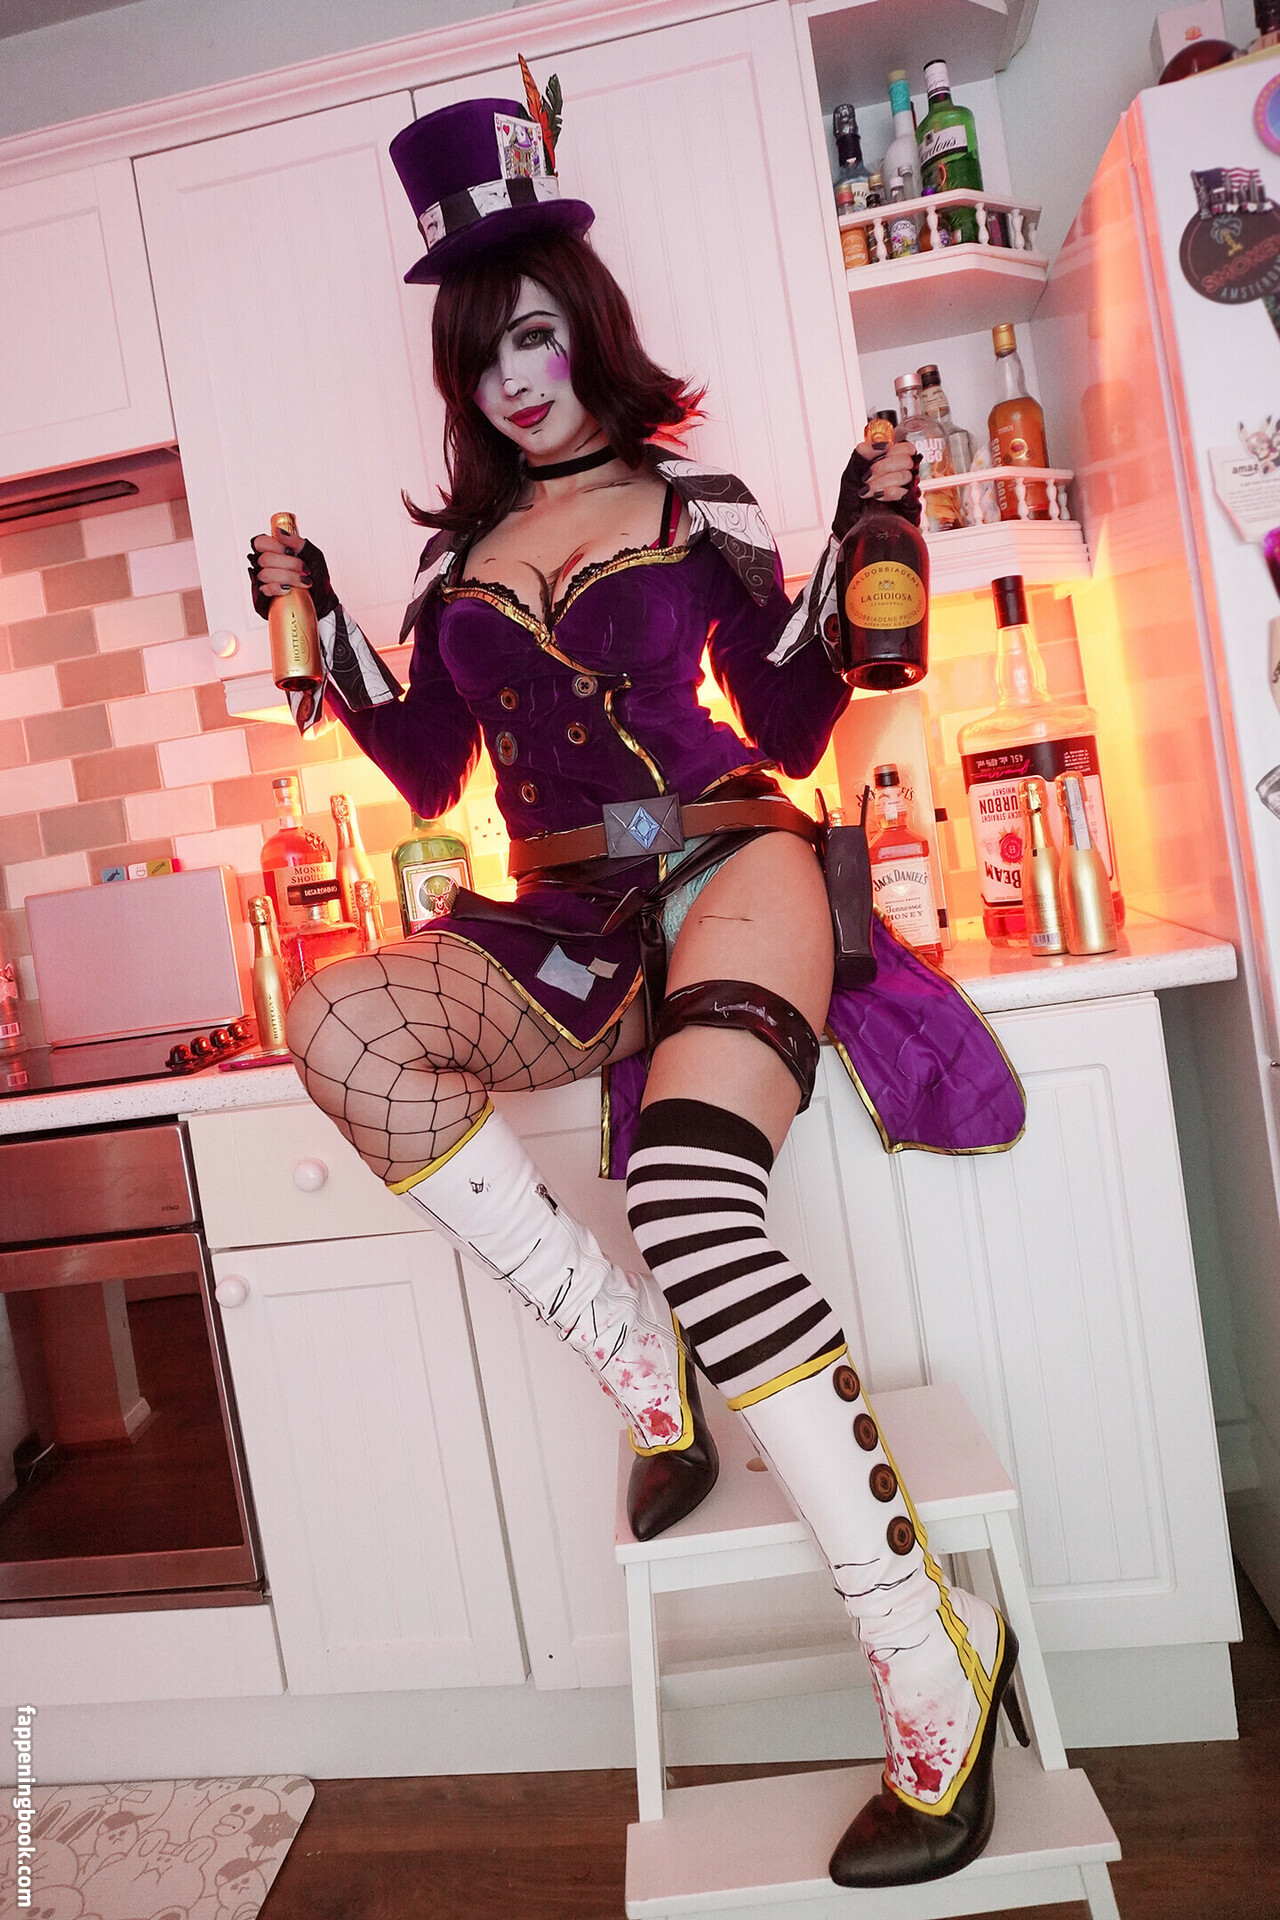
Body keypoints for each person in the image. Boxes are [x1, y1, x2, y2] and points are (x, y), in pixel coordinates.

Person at [248, 88, 1028, 1889]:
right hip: (565, 913)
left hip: (731, 856)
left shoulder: (694, 504)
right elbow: (429, 773)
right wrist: (332, 629)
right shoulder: (453, 562)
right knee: (342, 1030)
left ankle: (929, 1659)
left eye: (530, 336)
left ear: (584, 325)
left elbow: (801, 719)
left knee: (686, 1199)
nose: (511, 381)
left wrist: (862, 537)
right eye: (478, 357)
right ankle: (641, 1369)